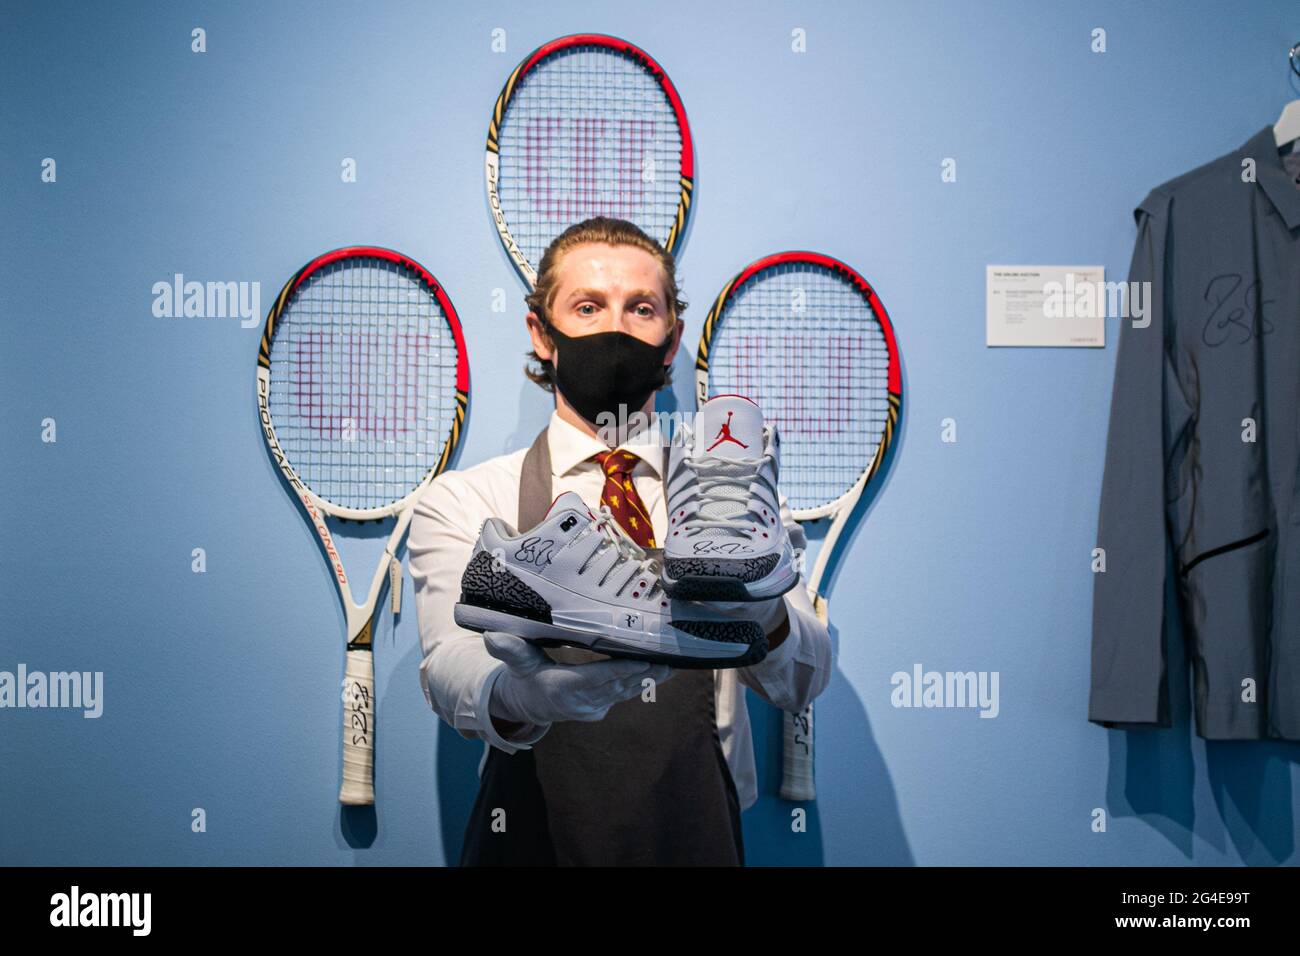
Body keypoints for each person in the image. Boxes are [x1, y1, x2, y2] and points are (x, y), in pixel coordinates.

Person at [407, 216, 832, 866]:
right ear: (540, 333)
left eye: (640, 308)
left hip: (698, 839)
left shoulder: (733, 502)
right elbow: (447, 666)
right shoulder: (467, 501)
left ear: (671, 340)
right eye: (587, 307)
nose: (614, 329)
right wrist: (522, 698)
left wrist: (763, 615)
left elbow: (804, 678)